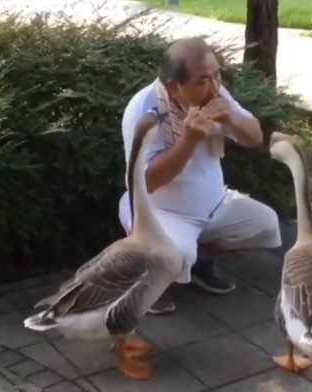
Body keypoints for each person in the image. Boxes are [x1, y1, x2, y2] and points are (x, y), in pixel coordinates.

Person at [118, 37, 282, 315]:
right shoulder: (144, 110)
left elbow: (256, 138)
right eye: (204, 80)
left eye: (217, 75)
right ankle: (148, 279)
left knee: (266, 224)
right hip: (159, 211)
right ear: (173, 86)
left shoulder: (216, 94)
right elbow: (145, 182)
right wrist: (189, 140)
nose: (215, 86)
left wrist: (230, 117)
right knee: (178, 254)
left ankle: (198, 264)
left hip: (215, 204)